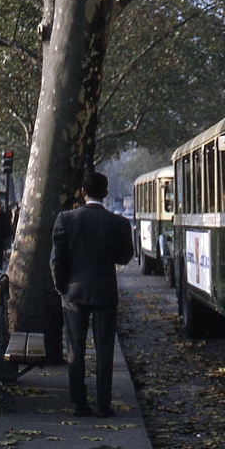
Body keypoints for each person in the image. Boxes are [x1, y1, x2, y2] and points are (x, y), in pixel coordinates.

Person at [50, 172, 134, 417]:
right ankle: (104, 404)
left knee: (75, 349)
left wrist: (61, 287)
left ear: (82, 192)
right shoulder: (119, 223)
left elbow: (57, 260)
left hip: (74, 293)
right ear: (106, 194)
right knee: (104, 349)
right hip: (105, 292)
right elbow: (125, 257)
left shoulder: (66, 219)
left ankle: (79, 403)